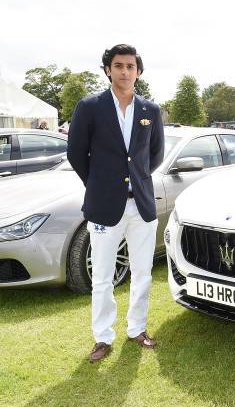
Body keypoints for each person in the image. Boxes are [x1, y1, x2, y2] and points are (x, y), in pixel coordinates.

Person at [67, 44, 164, 363]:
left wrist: (135, 179)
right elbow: (76, 154)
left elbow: (155, 156)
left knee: (142, 273)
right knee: (104, 276)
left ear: (138, 71)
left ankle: (137, 329)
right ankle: (103, 337)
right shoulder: (90, 106)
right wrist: (100, 184)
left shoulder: (151, 110)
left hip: (142, 207)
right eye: (118, 65)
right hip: (104, 207)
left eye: (130, 66)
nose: (124, 71)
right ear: (108, 69)